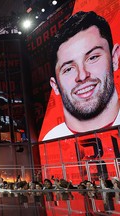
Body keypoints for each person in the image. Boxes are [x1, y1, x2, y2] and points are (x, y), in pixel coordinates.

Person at [43, 11, 120, 141]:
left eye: (93, 58)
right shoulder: (51, 141)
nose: (82, 75)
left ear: (115, 58)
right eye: (68, 69)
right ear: (55, 86)